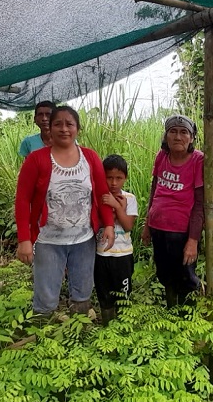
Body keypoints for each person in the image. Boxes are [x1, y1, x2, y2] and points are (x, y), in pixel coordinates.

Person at [15, 105, 115, 316]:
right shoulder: (36, 159)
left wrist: (108, 225)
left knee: (82, 291)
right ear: (49, 128)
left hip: (84, 239)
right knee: (46, 293)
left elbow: (102, 194)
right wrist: (24, 239)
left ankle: (79, 330)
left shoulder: (90, 157)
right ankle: (43, 330)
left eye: (69, 124)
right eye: (58, 124)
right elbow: (22, 200)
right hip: (48, 241)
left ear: (77, 128)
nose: (64, 129)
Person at [141, 115, 204, 307]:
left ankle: (187, 321)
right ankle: (170, 313)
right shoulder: (162, 156)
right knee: (165, 274)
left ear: (192, 137)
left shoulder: (197, 160)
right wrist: (147, 225)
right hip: (158, 226)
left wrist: (193, 240)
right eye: (173, 131)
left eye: (184, 132)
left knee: (186, 277)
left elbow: (200, 203)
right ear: (166, 136)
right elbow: (155, 189)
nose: (178, 137)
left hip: (182, 232)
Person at [94, 154, 138, 323]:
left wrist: (117, 206)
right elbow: (98, 224)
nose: (113, 183)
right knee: (104, 294)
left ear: (125, 178)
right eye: (109, 178)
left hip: (123, 255)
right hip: (102, 254)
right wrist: (116, 209)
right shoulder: (99, 198)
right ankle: (107, 328)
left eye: (118, 178)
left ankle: (123, 328)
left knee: (123, 293)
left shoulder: (129, 199)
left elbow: (128, 226)